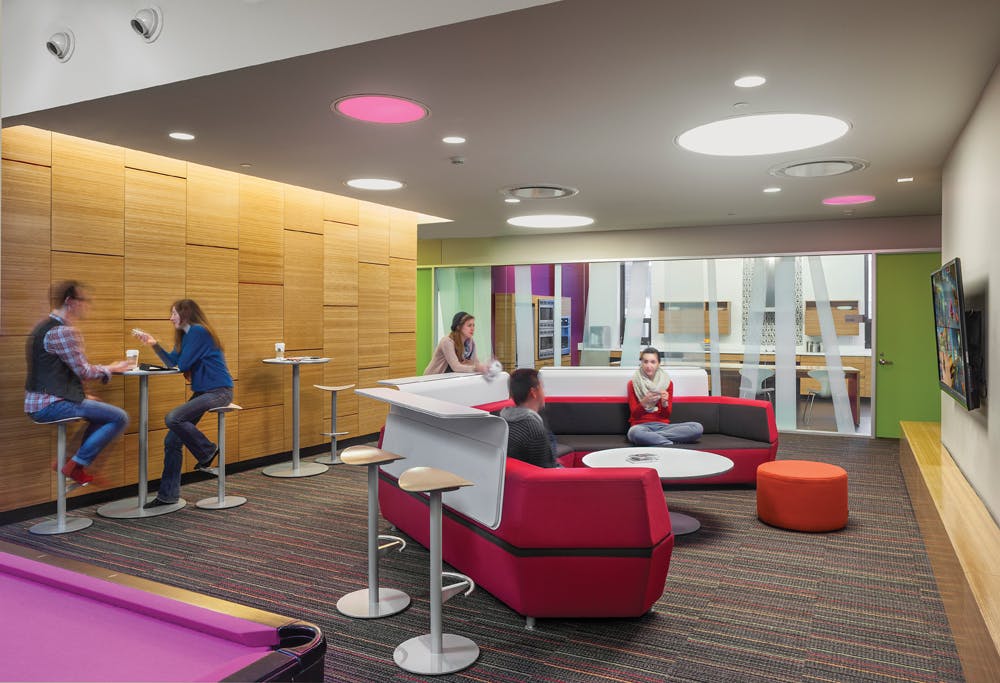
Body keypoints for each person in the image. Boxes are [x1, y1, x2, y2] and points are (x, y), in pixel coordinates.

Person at [24, 281, 131, 485]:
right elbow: (84, 371)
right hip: (50, 405)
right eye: (83, 300)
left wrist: (81, 394)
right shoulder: (63, 332)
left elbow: (56, 370)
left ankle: (70, 460)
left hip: (38, 402)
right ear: (70, 301)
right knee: (119, 417)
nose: (87, 305)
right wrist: (112, 368)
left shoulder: (42, 327)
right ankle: (75, 465)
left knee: (100, 412)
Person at [134, 299, 234, 508]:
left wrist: (179, 362)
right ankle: (168, 496)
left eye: (174, 314)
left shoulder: (198, 332)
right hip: (203, 392)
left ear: (185, 314)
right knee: (172, 441)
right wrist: (153, 343)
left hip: (219, 391)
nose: (171, 318)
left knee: (173, 418)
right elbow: (172, 362)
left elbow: (182, 365)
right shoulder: (187, 336)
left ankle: (207, 450)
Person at [627, 347, 703, 446]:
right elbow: (634, 415)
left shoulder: (668, 383)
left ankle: (653, 438)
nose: (649, 366)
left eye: (653, 362)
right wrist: (644, 402)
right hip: (640, 426)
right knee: (634, 433)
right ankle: (668, 444)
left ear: (658, 364)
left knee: (697, 428)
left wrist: (664, 403)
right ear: (641, 363)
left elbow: (666, 416)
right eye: (645, 362)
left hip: (663, 427)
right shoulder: (633, 383)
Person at [500, 368, 561, 468]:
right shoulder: (532, 429)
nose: (544, 393)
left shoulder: (505, 421)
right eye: (541, 387)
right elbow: (548, 472)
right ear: (533, 392)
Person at [423, 311, 488, 374]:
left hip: (449, 376)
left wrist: (485, 367)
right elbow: (456, 367)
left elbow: (476, 363)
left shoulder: (471, 343)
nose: (472, 328)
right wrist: (476, 368)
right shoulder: (447, 341)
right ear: (458, 327)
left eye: (473, 325)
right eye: (469, 325)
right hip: (432, 378)